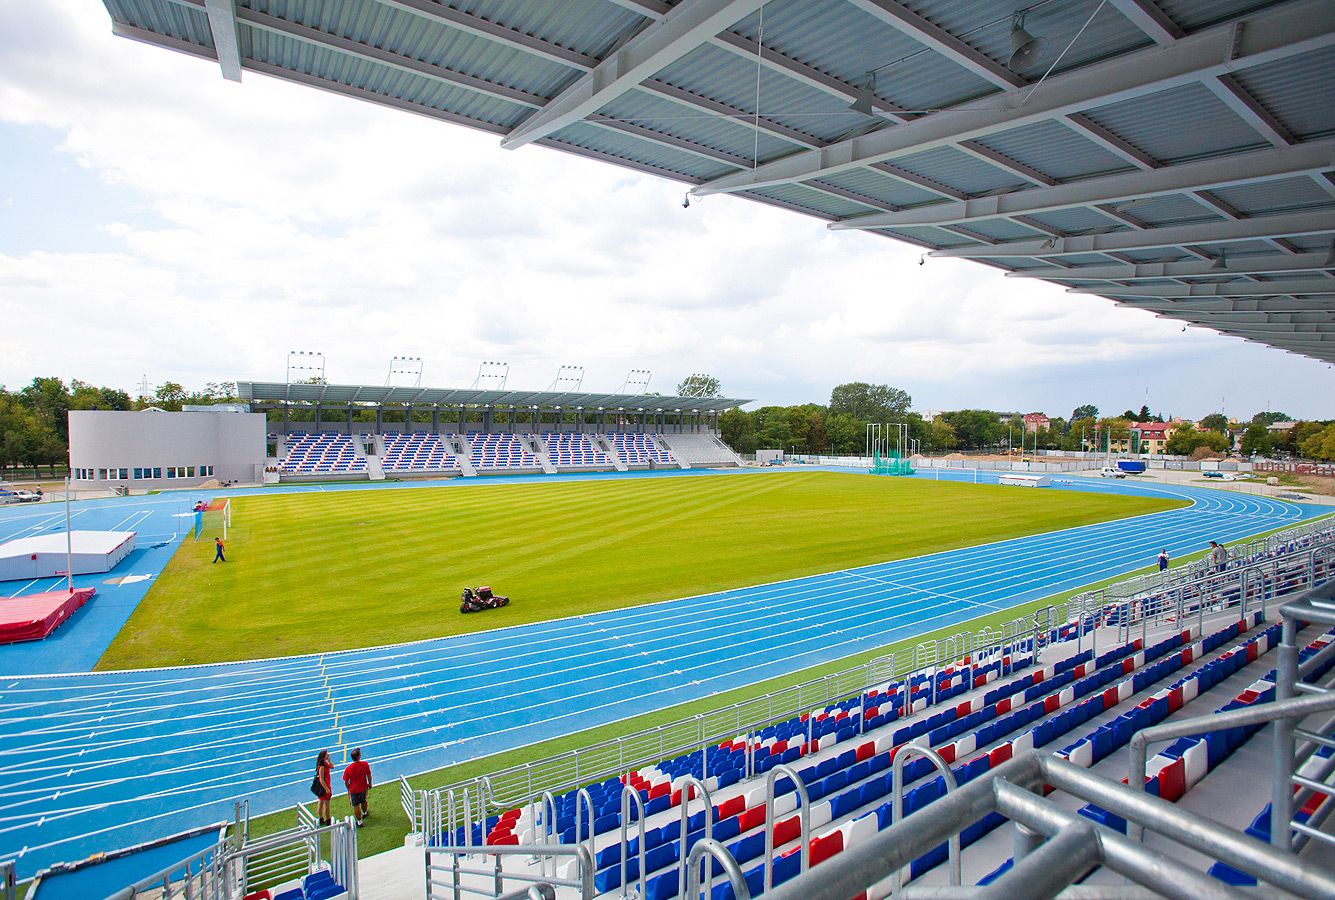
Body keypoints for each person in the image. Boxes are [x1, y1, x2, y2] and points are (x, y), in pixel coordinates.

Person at [343, 747, 372, 827]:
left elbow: (346, 781)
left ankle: (359, 822)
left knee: (356, 805)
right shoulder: (365, 764)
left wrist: (348, 788)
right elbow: (369, 775)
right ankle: (365, 813)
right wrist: (370, 783)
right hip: (363, 787)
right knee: (364, 801)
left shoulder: (348, 769)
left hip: (353, 789)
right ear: (359, 756)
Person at [313, 749, 332, 826]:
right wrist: (327, 789)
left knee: (320, 802)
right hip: (324, 786)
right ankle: (328, 820)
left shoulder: (324, 763)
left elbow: (332, 766)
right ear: (324, 756)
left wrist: (329, 760)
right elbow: (321, 779)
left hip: (324, 786)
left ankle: (321, 819)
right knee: (326, 804)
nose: (328, 755)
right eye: (327, 754)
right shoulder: (322, 767)